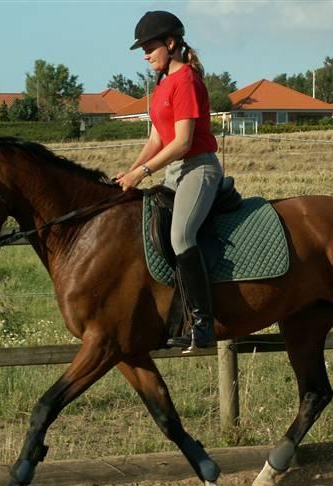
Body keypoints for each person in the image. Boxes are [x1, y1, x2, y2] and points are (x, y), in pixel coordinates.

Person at [116, 10, 221, 352]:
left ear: (171, 43)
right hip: (175, 171)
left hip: (198, 169)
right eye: (143, 48)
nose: (145, 54)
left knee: (180, 235)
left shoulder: (187, 80)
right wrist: (128, 172)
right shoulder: (162, 85)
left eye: (149, 47)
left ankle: (203, 323)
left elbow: (183, 142)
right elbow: (156, 140)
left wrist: (143, 173)